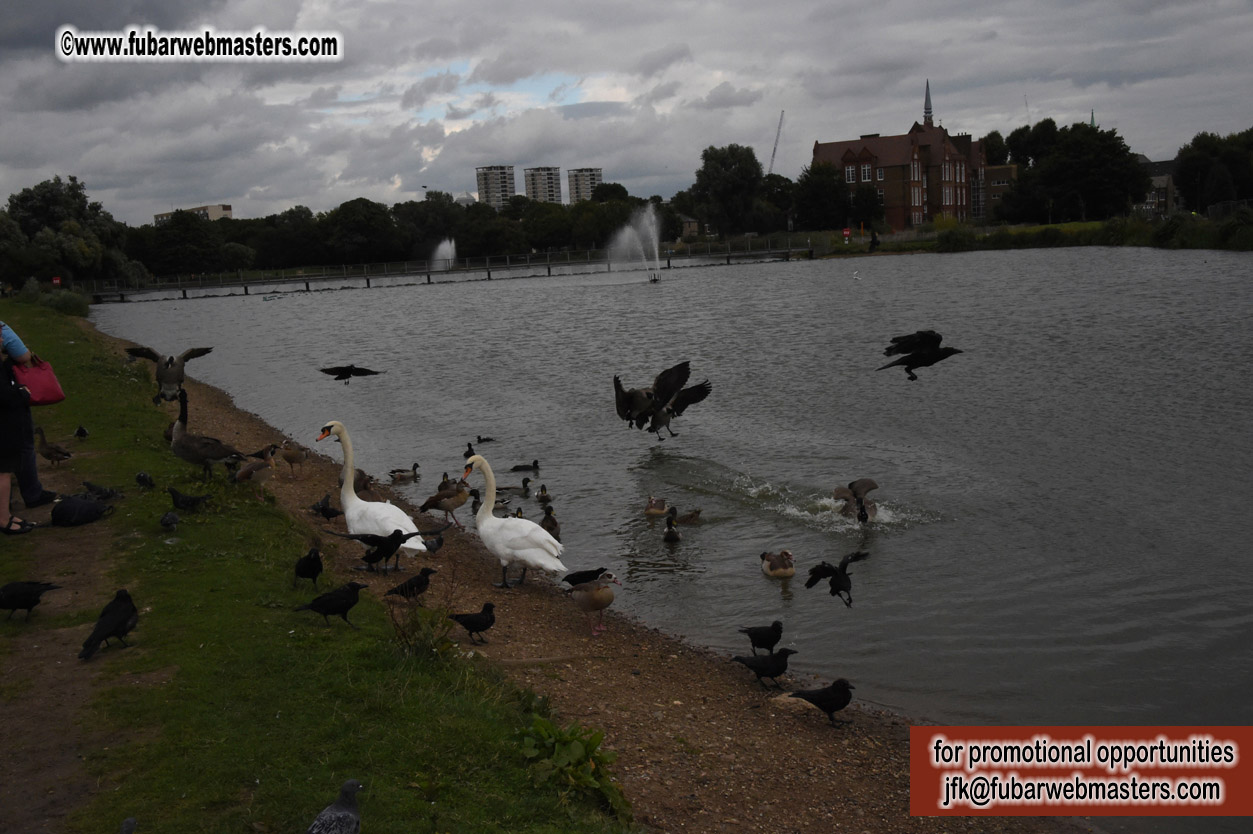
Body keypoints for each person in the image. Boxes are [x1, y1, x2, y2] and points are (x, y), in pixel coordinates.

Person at [0, 320, 57, 511]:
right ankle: (31, 494)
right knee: (23, 442)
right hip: (8, 396)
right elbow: (24, 356)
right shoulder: (1, 326)